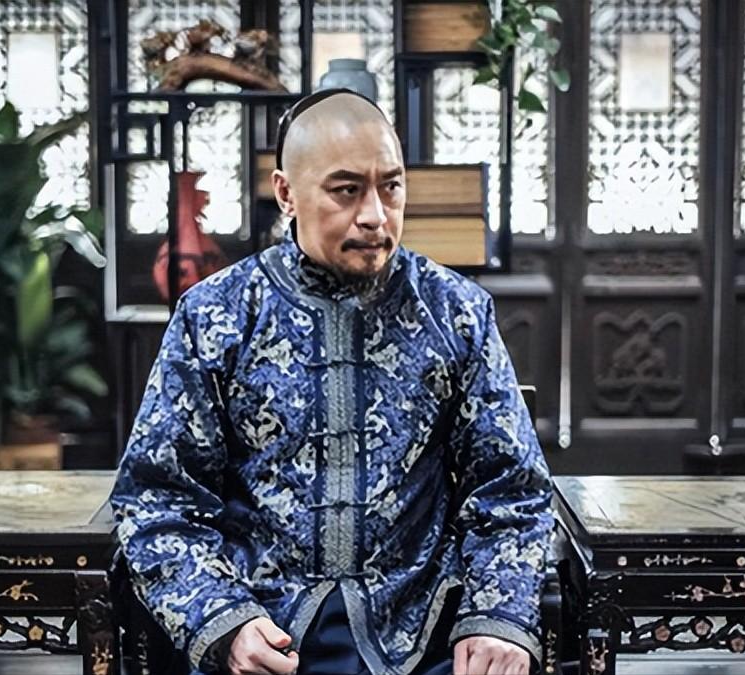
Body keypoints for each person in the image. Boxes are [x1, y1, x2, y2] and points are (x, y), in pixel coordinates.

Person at [111, 89, 555, 675]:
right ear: (286, 193)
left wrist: (497, 618)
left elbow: (512, 490)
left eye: (391, 187)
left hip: (422, 633)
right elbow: (158, 498)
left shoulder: (455, 312)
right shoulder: (217, 314)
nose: (375, 215)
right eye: (346, 190)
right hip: (261, 635)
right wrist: (223, 620)